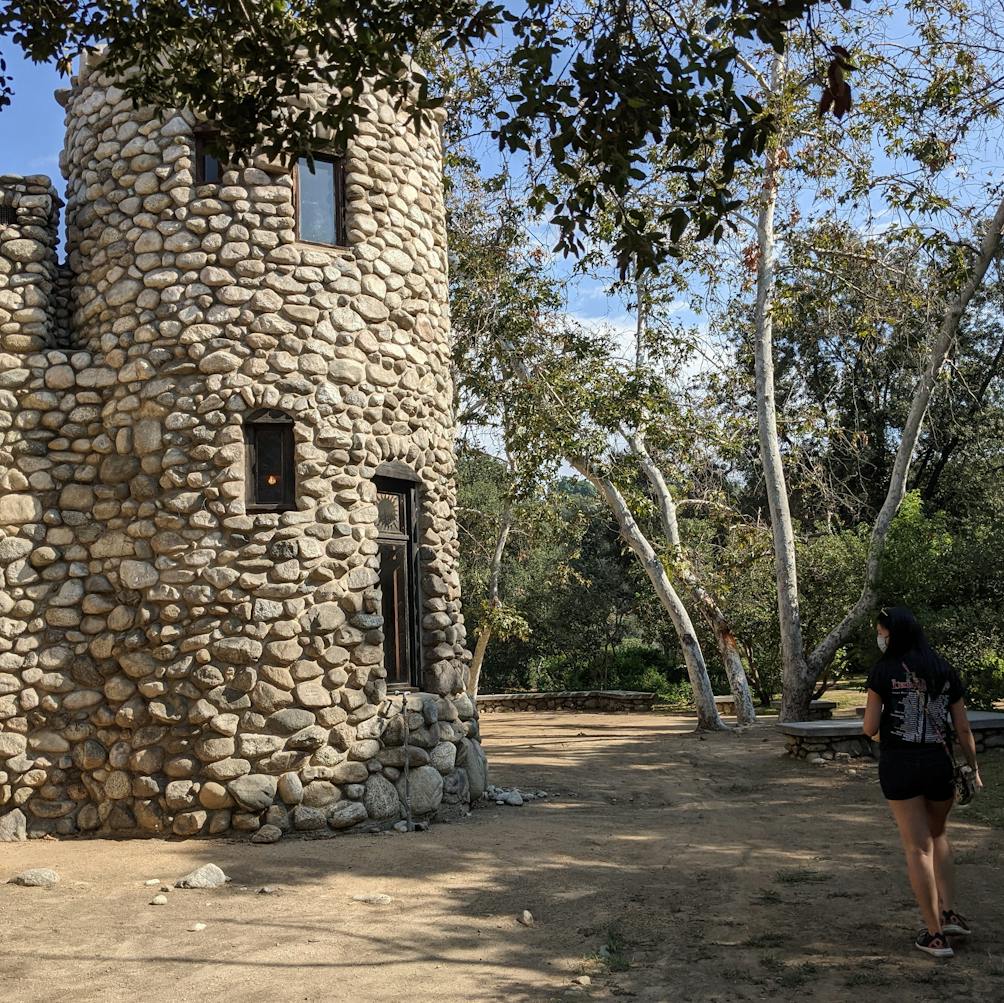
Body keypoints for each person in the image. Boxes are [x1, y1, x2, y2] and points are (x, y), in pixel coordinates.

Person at [862, 606, 983, 958]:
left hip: (900, 766)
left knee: (917, 848)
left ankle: (934, 935)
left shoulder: (883, 671)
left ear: (893, 634)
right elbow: (962, 728)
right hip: (938, 765)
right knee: (939, 834)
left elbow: (869, 728)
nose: (879, 637)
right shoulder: (943, 669)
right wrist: (972, 767)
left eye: (881, 631)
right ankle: (948, 913)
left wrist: (894, 732)